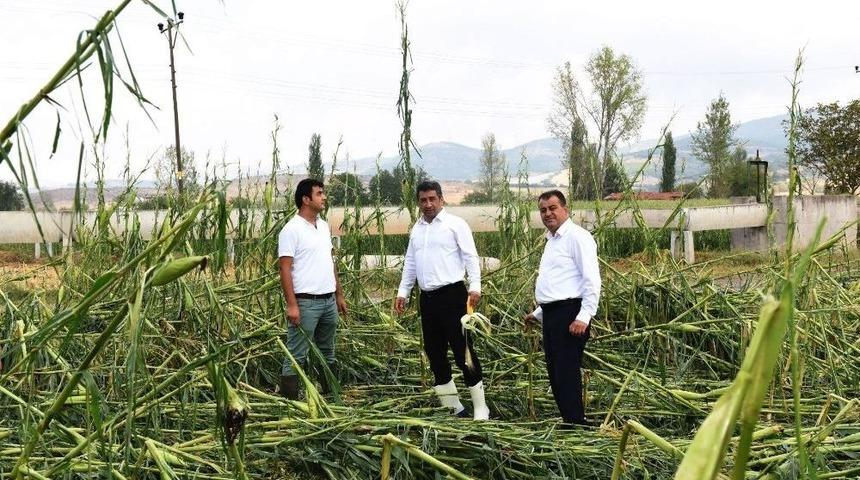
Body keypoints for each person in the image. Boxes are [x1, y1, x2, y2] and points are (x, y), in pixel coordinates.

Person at [394, 180, 490, 420]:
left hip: (453, 296)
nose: (428, 204)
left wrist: (475, 287)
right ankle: (454, 408)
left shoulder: (455, 225)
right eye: (423, 200)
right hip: (427, 300)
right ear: (418, 202)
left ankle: (481, 408)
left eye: (432, 199)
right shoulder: (417, 230)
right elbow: (411, 263)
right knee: (434, 353)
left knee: (463, 352)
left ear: (441, 199)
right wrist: (403, 291)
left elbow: (470, 256)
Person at [525, 190, 601, 428]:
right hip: (552, 314)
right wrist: (538, 313)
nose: (548, 213)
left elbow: (591, 279)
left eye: (552, 208)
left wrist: (584, 316)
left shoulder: (577, 237)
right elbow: (559, 282)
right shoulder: (551, 240)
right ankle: (570, 420)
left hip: (570, 314)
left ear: (565, 209)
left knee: (566, 371)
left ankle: (577, 424)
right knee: (555, 371)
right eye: (543, 210)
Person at [278, 178, 348, 400]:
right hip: (306, 302)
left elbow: (330, 262)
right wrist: (292, 305)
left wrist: (339, 294)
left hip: (328, 301)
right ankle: (289, 403)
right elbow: (284, 268)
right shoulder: (291, 230)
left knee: (328, 351)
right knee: (296, 354)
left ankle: (331, 396)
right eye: (319, 193)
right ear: (306, 199)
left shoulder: (324, 226)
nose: (324, 197)